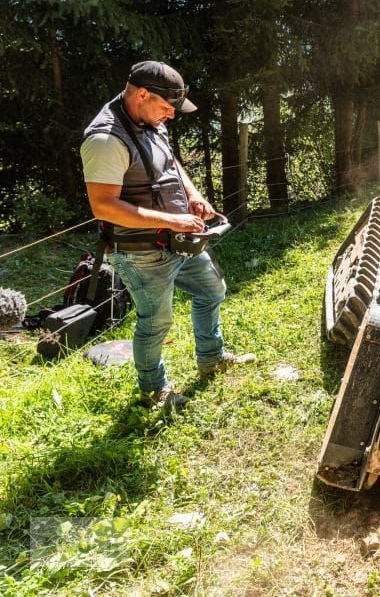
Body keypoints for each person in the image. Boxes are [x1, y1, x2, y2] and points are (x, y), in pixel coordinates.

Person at [80, 60, 255, 408]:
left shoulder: (149, 118)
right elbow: (103, 206)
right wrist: (173, 221)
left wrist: (192, 196)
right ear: (142, 94)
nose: (172, 116)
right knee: (156, 320)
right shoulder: (105, 140)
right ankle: (152, 390)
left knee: (211, 288)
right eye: (167, 107)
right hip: (140, 249)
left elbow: (171, 162)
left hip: (178, 239)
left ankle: (211, 358)